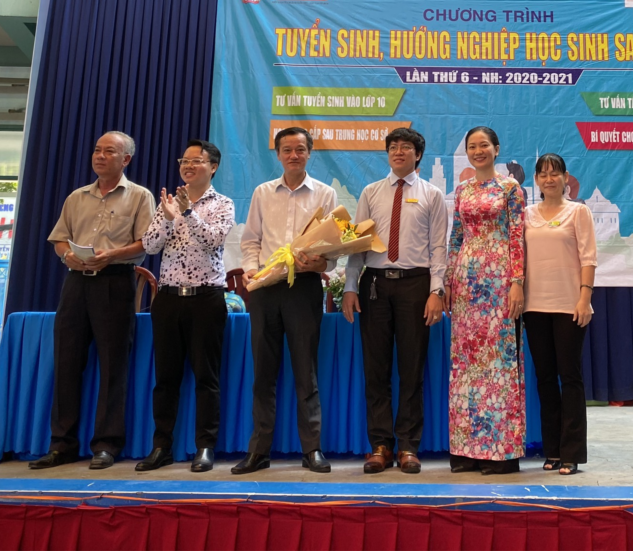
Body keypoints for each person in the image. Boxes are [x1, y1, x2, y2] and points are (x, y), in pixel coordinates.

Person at [31, 132, 155, 470]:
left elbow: (146, 243)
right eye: (97, 150)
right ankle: (61, 444)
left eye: (109, 151)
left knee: (113, 366)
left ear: (126, 159)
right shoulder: (77, 197)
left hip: (115, 281)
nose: (100, 156)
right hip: (76, 283)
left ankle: (106, 444)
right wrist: (67, 255)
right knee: (67, 362)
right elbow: (59, 239)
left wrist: (113, 254)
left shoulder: (140, 196)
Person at [342, 128, 448, 475]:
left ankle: (408, 446)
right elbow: (357, 244)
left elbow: (439, 248)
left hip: (416, 285)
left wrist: (436, 291)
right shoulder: (371, 192)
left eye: (405, 147)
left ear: (418, 155)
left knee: (412, 369)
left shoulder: (432, 194)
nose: (398, 152)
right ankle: (380, 446)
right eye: (393, 147)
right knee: (376, 370)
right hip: (375, 285)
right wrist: (350, 287)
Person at [233, 127, 337, 475]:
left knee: (306, 372)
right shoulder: (263, 192)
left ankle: (312, 450)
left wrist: (321, 264)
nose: (294, 155)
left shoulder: (325, 194)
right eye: (287, 150)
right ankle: (259, 451)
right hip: (265, 288)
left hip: (304, 288)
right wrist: (250, 269)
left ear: (310, 153)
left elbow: (333, 250)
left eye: (300, 149)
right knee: (263, 372)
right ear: (277, 154)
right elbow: (250, 240)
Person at [134, 140, 235, 474]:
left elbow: (212, 240)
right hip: (168, 299)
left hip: (206, 298)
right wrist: (166, 218)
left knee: (207, 377)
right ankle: (161, 446)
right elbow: (150, 246)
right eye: (184, 160)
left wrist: (187, 213)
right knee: (165, 378)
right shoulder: (167, 203)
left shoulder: (223, 204)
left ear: (213, 167)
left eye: (196, 160)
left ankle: (205, 447)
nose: (188, 166)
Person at [446, 125, 527, 475]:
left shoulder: (510, 188)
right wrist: (448, 281)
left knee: (498, 364)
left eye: (484, 145)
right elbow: (456, 237)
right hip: (466, 283)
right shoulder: (461, 190)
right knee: (465, 364)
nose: (478, 151)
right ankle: (466, 449)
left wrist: (517, 282)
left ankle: (502, 451)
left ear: (496, 149)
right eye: (472, 146)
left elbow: (517, 236)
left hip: (499, 281)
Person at [523, 153, 596, 476]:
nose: (549, 179)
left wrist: (584, 298)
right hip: (534, 307)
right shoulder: (526, 215)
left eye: (555, 173)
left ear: (566, 178)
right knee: (545, 379)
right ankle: (552, 450)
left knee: (570, 378)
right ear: (536, 180)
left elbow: (588, 258)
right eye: (543, 174)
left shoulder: (578, 212)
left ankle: (572, 453)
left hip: (569, 306)